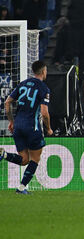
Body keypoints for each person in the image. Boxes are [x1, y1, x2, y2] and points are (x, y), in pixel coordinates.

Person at [0, 61, 53, 195]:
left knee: (24, 160)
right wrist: (49, 128)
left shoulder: (23, 84)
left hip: (18, 126)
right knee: (35, 159)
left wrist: (11, 121)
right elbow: (44, 112)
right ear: (43, 71)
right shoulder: (44, 89)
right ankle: (22, 188)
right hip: (32, 127)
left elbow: (7, 102)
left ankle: (3, 154)